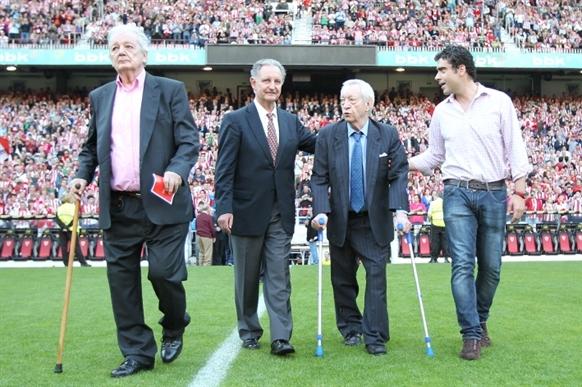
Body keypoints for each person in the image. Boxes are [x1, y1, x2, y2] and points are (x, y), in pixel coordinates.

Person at [70, 23, 199, 377]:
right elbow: (90, 148)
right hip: (118, 206)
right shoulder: (100, 97)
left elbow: (189, 142)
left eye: (129, 46)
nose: (121, 52)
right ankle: (138, 353)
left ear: (144, 54)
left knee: (163, 273)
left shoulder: (169, 90)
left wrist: (177, 169)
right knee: (122, 284)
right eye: (115, 47)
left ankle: (174, 323)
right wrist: (82, 175)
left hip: (164, 200)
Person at [409, 45, 531, 361]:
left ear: (461, 69)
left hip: (494, 192)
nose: (437, 77)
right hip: (456, 193)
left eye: (442, 70)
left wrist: (519, 190)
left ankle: (480, 318)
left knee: (491, 268)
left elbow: (515, 147)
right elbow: (434, 156)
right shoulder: (441, 111)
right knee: (462, 264)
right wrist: (401, 161)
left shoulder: (500, 103)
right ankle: (471, 334)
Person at [214, 58, 316, 356]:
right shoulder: (235, 120)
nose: (272, 86)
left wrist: (346, 133)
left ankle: (281, 337)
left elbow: (316, 143)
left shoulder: (290, 121)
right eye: (267, 80)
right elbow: (224, 170)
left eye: (277, 82)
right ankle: (248, 329)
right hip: (245, 212)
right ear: (254, 83)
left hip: (281, 213)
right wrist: (224, 208)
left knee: (279, 276)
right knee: (246, 278)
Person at [310, 79, 411, 356]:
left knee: (376, 277)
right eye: (343, 99)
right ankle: (351, 328)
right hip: (341, 218)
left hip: (372, 220)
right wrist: (320, 210)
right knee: (342, 279)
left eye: (352, 100)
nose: (346, 105)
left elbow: (398, 174)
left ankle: (375, 334)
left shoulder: (387, 134)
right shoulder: (329, 136)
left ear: (369, 104)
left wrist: (400, 211)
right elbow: (319, 178)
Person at [56, 193, 91, 267]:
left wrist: (64, 227)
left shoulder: (59, 208)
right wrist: (68, 226)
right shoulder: (73, 207)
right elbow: (75, 218)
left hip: (62, 229)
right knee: (76, 247)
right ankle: (83, 263)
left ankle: (66, 263)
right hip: (72, 229)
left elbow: (57, 219)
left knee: (63, 247)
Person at [427, 191, 449, 263]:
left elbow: (429, 214)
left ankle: (434, 258)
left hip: (435, 223)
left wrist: (430, 220)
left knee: (435, 242)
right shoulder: (445, 203)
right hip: (444, 223)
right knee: (444, 242)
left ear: (435, 196)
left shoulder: (433, 203)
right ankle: (446, 258)